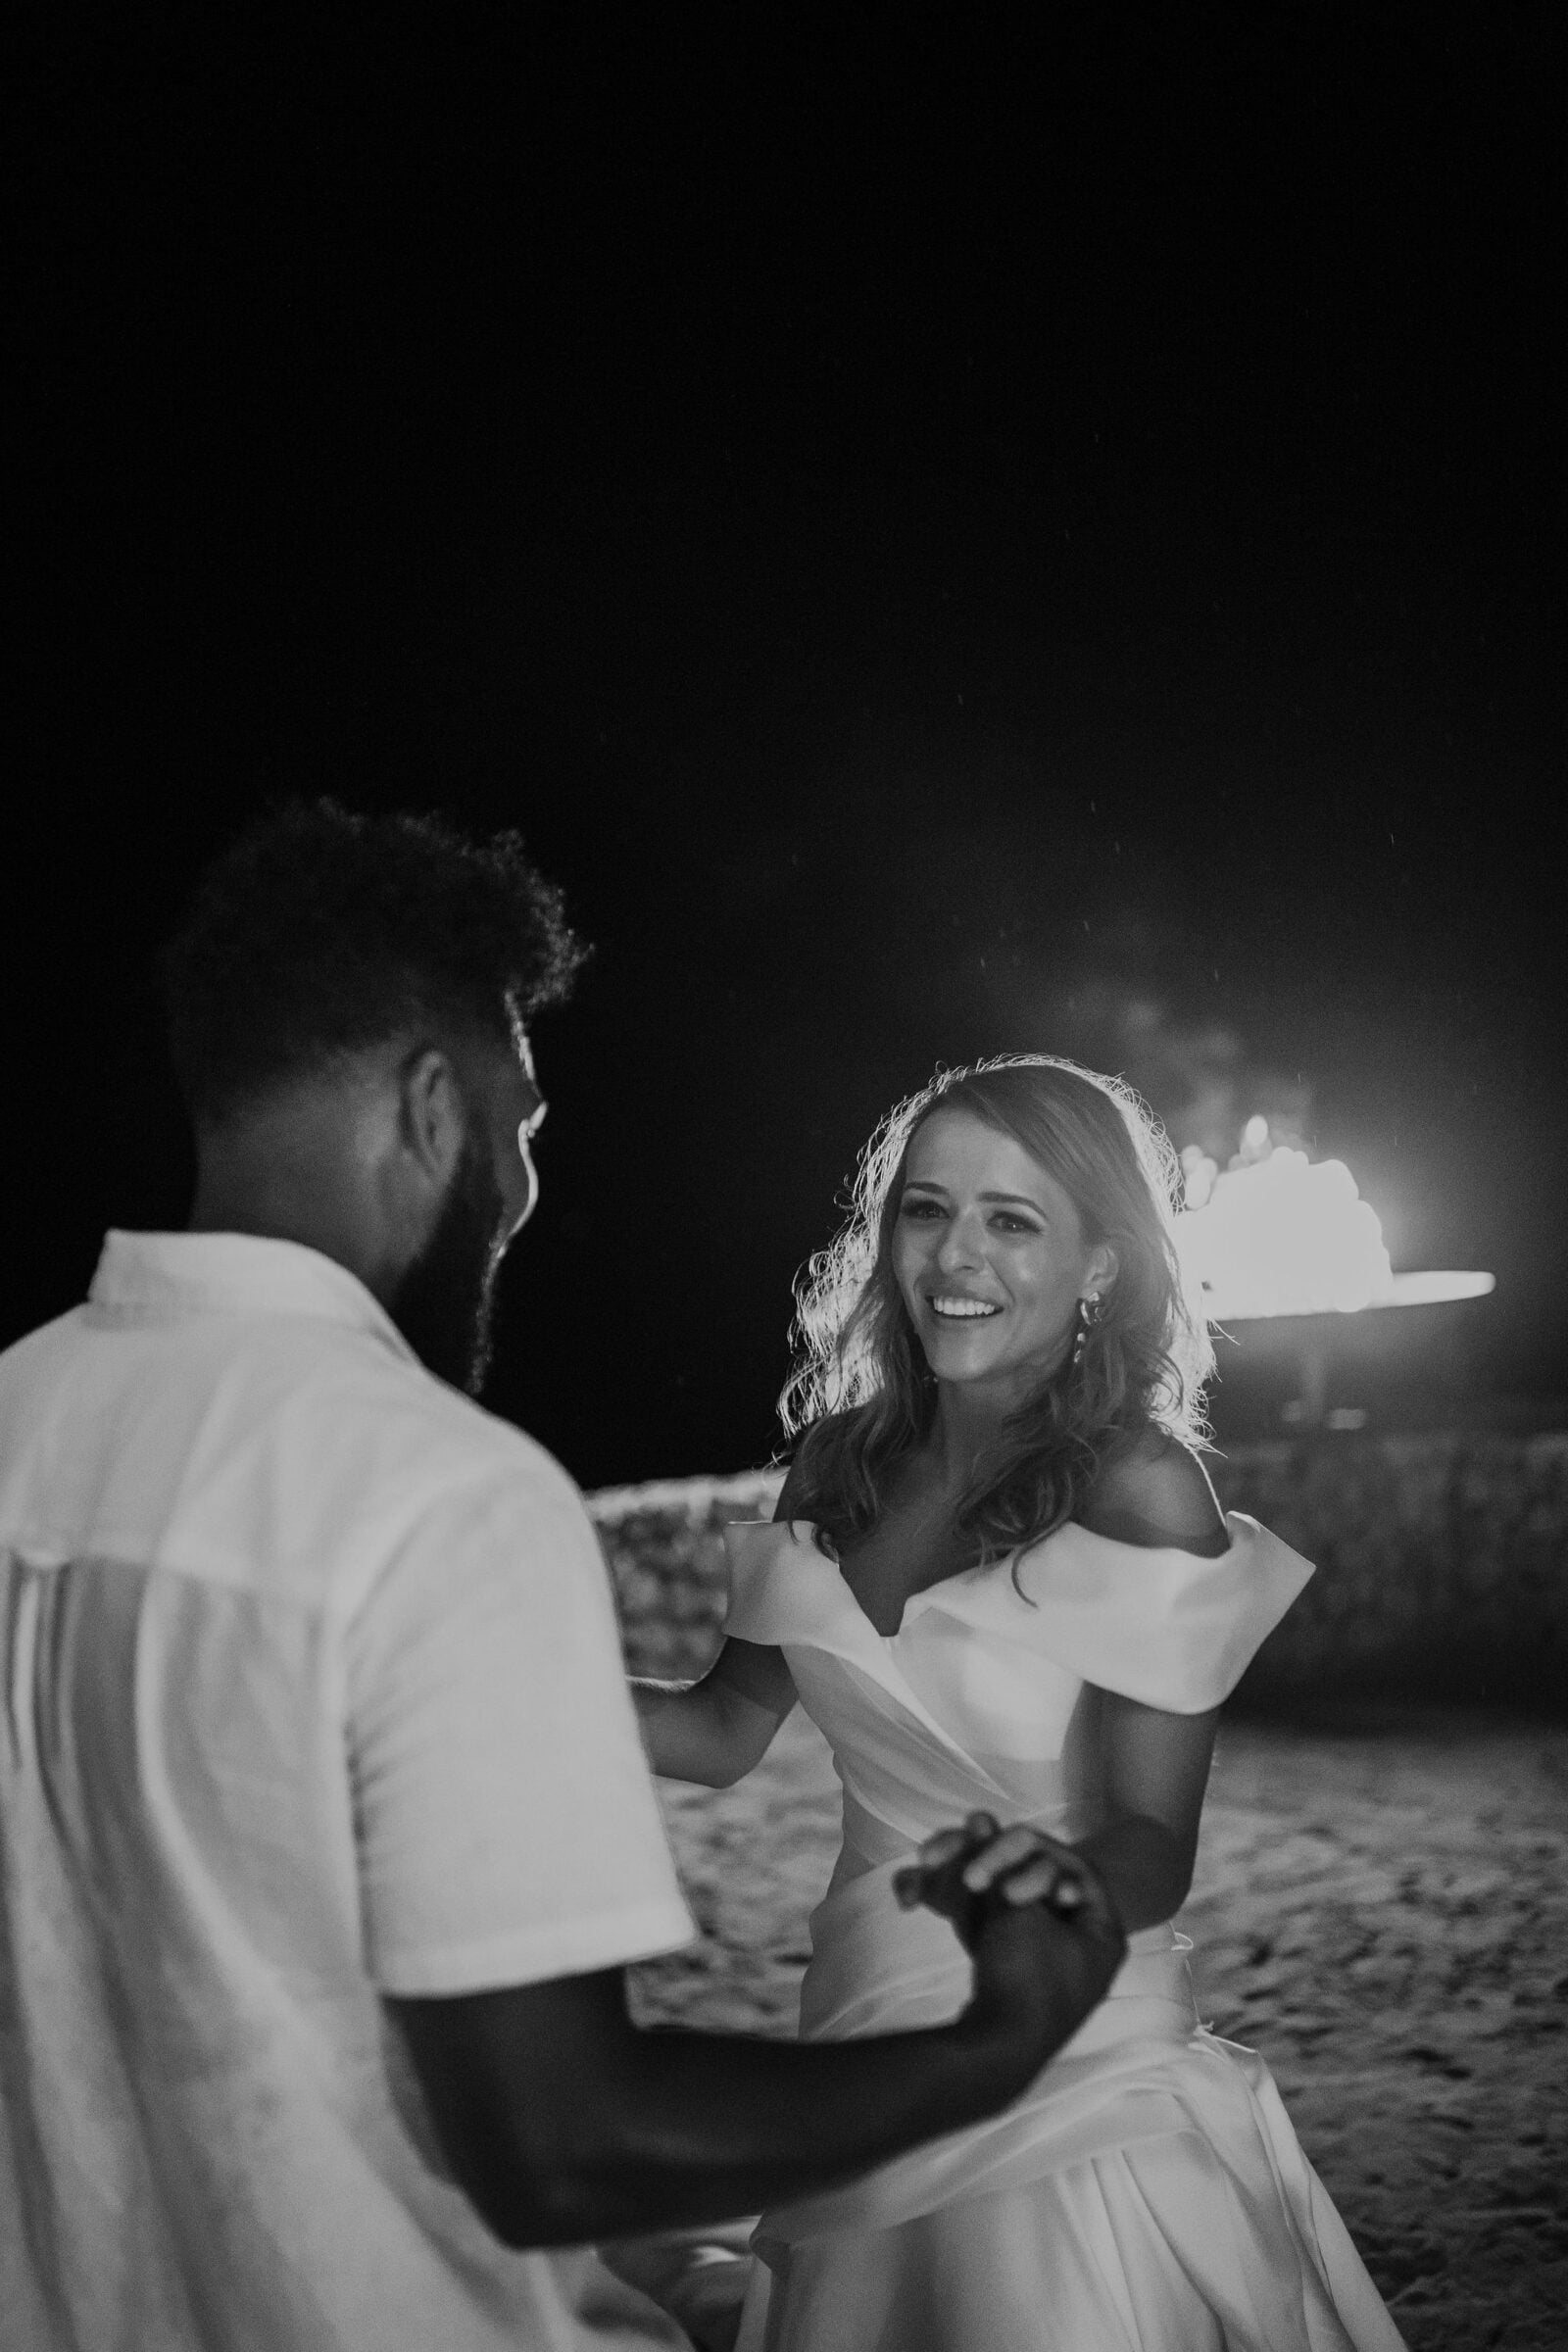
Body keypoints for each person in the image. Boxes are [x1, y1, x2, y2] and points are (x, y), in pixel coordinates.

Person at [0, 807, 1127, 2352]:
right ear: (429, 1108)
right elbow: (562, 2144)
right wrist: (997, 2042)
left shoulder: (21, 1416)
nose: (527, 1193)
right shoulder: (438, 1495)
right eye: (520, 1127)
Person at [634, 1054, 1409, 2350]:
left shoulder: (1140, 1485)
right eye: (927, 1210)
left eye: (1012, 1220)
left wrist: (1045, 1893)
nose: (956, 1256)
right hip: (860, 2025)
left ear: (1102, 1262)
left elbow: (1150, 1841)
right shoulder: (837, 1464)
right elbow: (721, 1731)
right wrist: (515, 1676)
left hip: (1065, 2056)